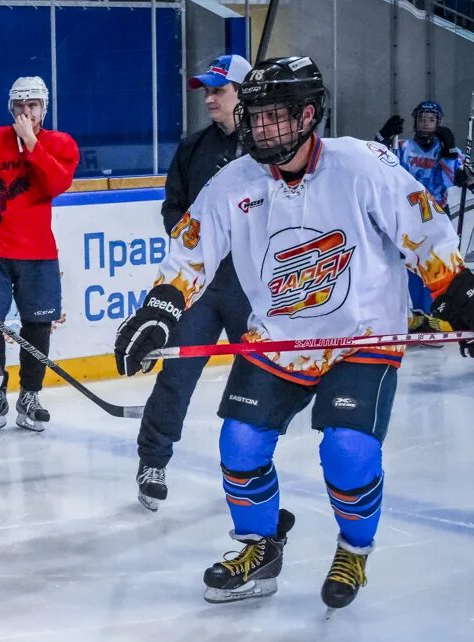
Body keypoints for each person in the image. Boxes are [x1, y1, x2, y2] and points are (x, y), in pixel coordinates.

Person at [113, 56, 471, 611]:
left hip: (363, 335)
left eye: (274, 116)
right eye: (254, 116)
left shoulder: (362, 165)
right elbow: (190, 251)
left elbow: (423, 229)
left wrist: (459, 293)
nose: (260, 128)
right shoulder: (235, 181)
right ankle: (260, 547)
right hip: (280, 334)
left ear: (308, 115)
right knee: (240, 441)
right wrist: (157, 311)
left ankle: (354, 548)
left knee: (348, 449)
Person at [133, 54, 253, 512]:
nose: (209, 98)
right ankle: (152, 461)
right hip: (200, 288)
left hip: (252, 290)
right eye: (207, 90)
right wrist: (195, 243)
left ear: (243, 94)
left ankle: (250, 466)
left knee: (260, 378)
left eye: (219, 90)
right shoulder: (192, 147)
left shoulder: (269, 147)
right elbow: (173, 208)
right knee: (177, 375)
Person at [0, 76, 79, 433]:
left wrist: (31, 145)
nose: (26, 112)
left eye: (33, 105)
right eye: (20, 106)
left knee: (38, 326)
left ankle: (30, 396)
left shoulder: (61, 143)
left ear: (44, 109)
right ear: (11, 108)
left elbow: (56, 184)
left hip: (38, 252)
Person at [375, 101, 470, 324]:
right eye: (422, 118)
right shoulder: (403, 147)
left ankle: (439, 313)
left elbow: (455, 178)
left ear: (438, 121)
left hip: (436, 214)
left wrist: (449, 155)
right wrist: (382, 137)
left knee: (438, 262)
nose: (426, 123)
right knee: (412, 263)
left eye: (431, 118)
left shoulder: (446, 148)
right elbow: (379, 166)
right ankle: (418, 313)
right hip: (406, 214)